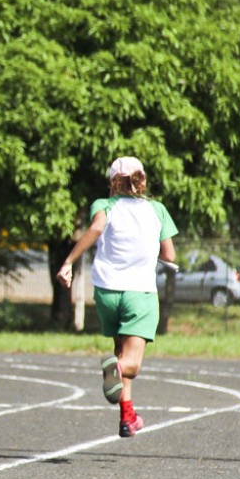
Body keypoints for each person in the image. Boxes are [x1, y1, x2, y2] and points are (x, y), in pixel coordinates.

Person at [56, 156, 178, 438]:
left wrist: (68, 262)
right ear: (142, 180)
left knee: (120, 354)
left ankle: (128, 417)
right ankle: (117, 366)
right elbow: (169, 255)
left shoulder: (103, 204)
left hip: (106, 293)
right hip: (139, 294)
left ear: (112, 184)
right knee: (129, 364)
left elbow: (97, 228)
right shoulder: (157, 209)